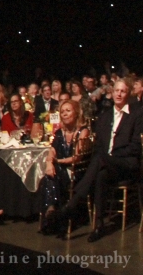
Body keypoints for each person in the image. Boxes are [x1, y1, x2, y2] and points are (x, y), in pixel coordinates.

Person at [50, 79, 143, 242]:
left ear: (128, 94)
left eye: (122, 91)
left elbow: (136, 147)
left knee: (101, 159)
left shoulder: (136, 114)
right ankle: (98, 226)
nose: (119, 94)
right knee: (101, 173)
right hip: (106, 165)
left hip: (126, 164)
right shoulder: (105, 116)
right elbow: (99, 146)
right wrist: (106, 158)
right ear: (112, 93)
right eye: (116, 91)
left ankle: (73, 205)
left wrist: (112, 155)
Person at [40, 99, 90, 235]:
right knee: (49, 175)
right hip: (61, 170)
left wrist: (57, 162)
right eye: (62, 112)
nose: (64, 114)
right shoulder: (59, 133)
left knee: (52, 174)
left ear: (76, 113)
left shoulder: (83, 132)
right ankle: (53, 211)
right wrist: (49, 163)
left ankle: (52, 212)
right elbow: (52, 151)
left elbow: (77, 158)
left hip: (77, 170)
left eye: (68, 111)